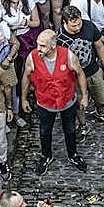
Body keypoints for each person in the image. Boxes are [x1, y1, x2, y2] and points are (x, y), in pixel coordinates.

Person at [21, 29, 89, 175]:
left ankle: (73, 155)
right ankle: (46, 156)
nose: (38, 48)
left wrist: (84, 96)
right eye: (38, 45)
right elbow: (26, 77)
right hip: (45, 103)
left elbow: (80, 73)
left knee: (70, 129)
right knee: (45, 131)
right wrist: (24, 98)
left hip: (67, 101)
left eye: (43, 46)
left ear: (53, 45)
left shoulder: (68, 56)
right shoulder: (32, 57)